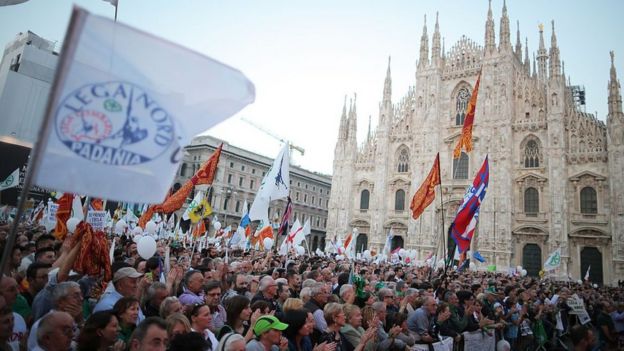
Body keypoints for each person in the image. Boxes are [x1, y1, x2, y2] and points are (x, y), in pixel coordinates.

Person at [28, 281, 84, 351]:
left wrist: (80, 322)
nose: (81, 299)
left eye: (81, 295)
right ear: (60, 302)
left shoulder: (77, 320)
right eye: (76, 296)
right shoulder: (43, 325)